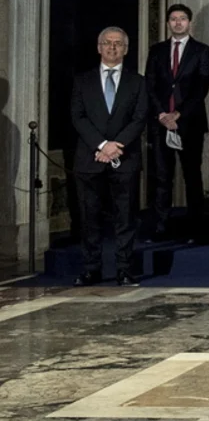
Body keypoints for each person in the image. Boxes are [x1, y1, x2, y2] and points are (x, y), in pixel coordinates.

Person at [69, 27, 150, 286]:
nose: (112, 48)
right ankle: (92, 268)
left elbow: (140, 118)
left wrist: (117, 146)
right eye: (107, 43)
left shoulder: (137, 82)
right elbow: (77, 117)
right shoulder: (82, 81)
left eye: (117, 44)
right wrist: (103, 145)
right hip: (89, 159)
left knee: (125, 218)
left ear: (126, 49)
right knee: (89, 217)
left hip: (124, 158)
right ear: (98, 47)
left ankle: (124, 269)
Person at [143, 3, 209, 241]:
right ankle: (161, 227)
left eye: (182, 18)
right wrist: (163, 115)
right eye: (173, 19)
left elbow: (201, 88)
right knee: (162, 177)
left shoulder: (202, 51)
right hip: (160, 122)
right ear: (168, 23)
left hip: (189, 123)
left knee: (192, 175)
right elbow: (149, 85)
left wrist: (178, 115)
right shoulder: (157, 51)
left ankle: (196, 229)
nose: (178, 22)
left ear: (189, 22)